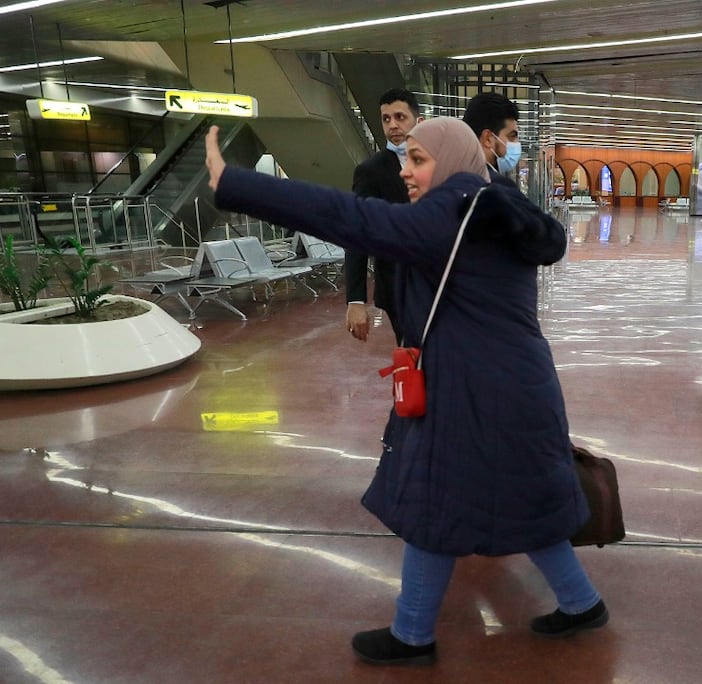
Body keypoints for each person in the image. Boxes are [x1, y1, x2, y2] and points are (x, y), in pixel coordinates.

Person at [203, 118, 606, 666]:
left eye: (417, 159)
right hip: (512, 384)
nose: (404, 171)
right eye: (404, 159)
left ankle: (413, 635)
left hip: (472, 389)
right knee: (523, 494)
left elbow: (354, 218)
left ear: (451, 159)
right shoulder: (491, 203)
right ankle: (581, 604)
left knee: (433, 501)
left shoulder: (455, 211)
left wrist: (239, 182)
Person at [346, 88, 421, 344]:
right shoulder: (371, 171)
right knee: (417, 360)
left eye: (400, 117)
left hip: (442, 284)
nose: (393, 125)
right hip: (398, 287)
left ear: (418, 121)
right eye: (386, 119)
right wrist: (356, 300)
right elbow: (357, 232)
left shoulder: (438, 163)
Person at [463, 92, 522, 176]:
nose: (517, 143)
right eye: (512, 136)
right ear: (488, 139)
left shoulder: (452, 178)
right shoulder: (495, 186)